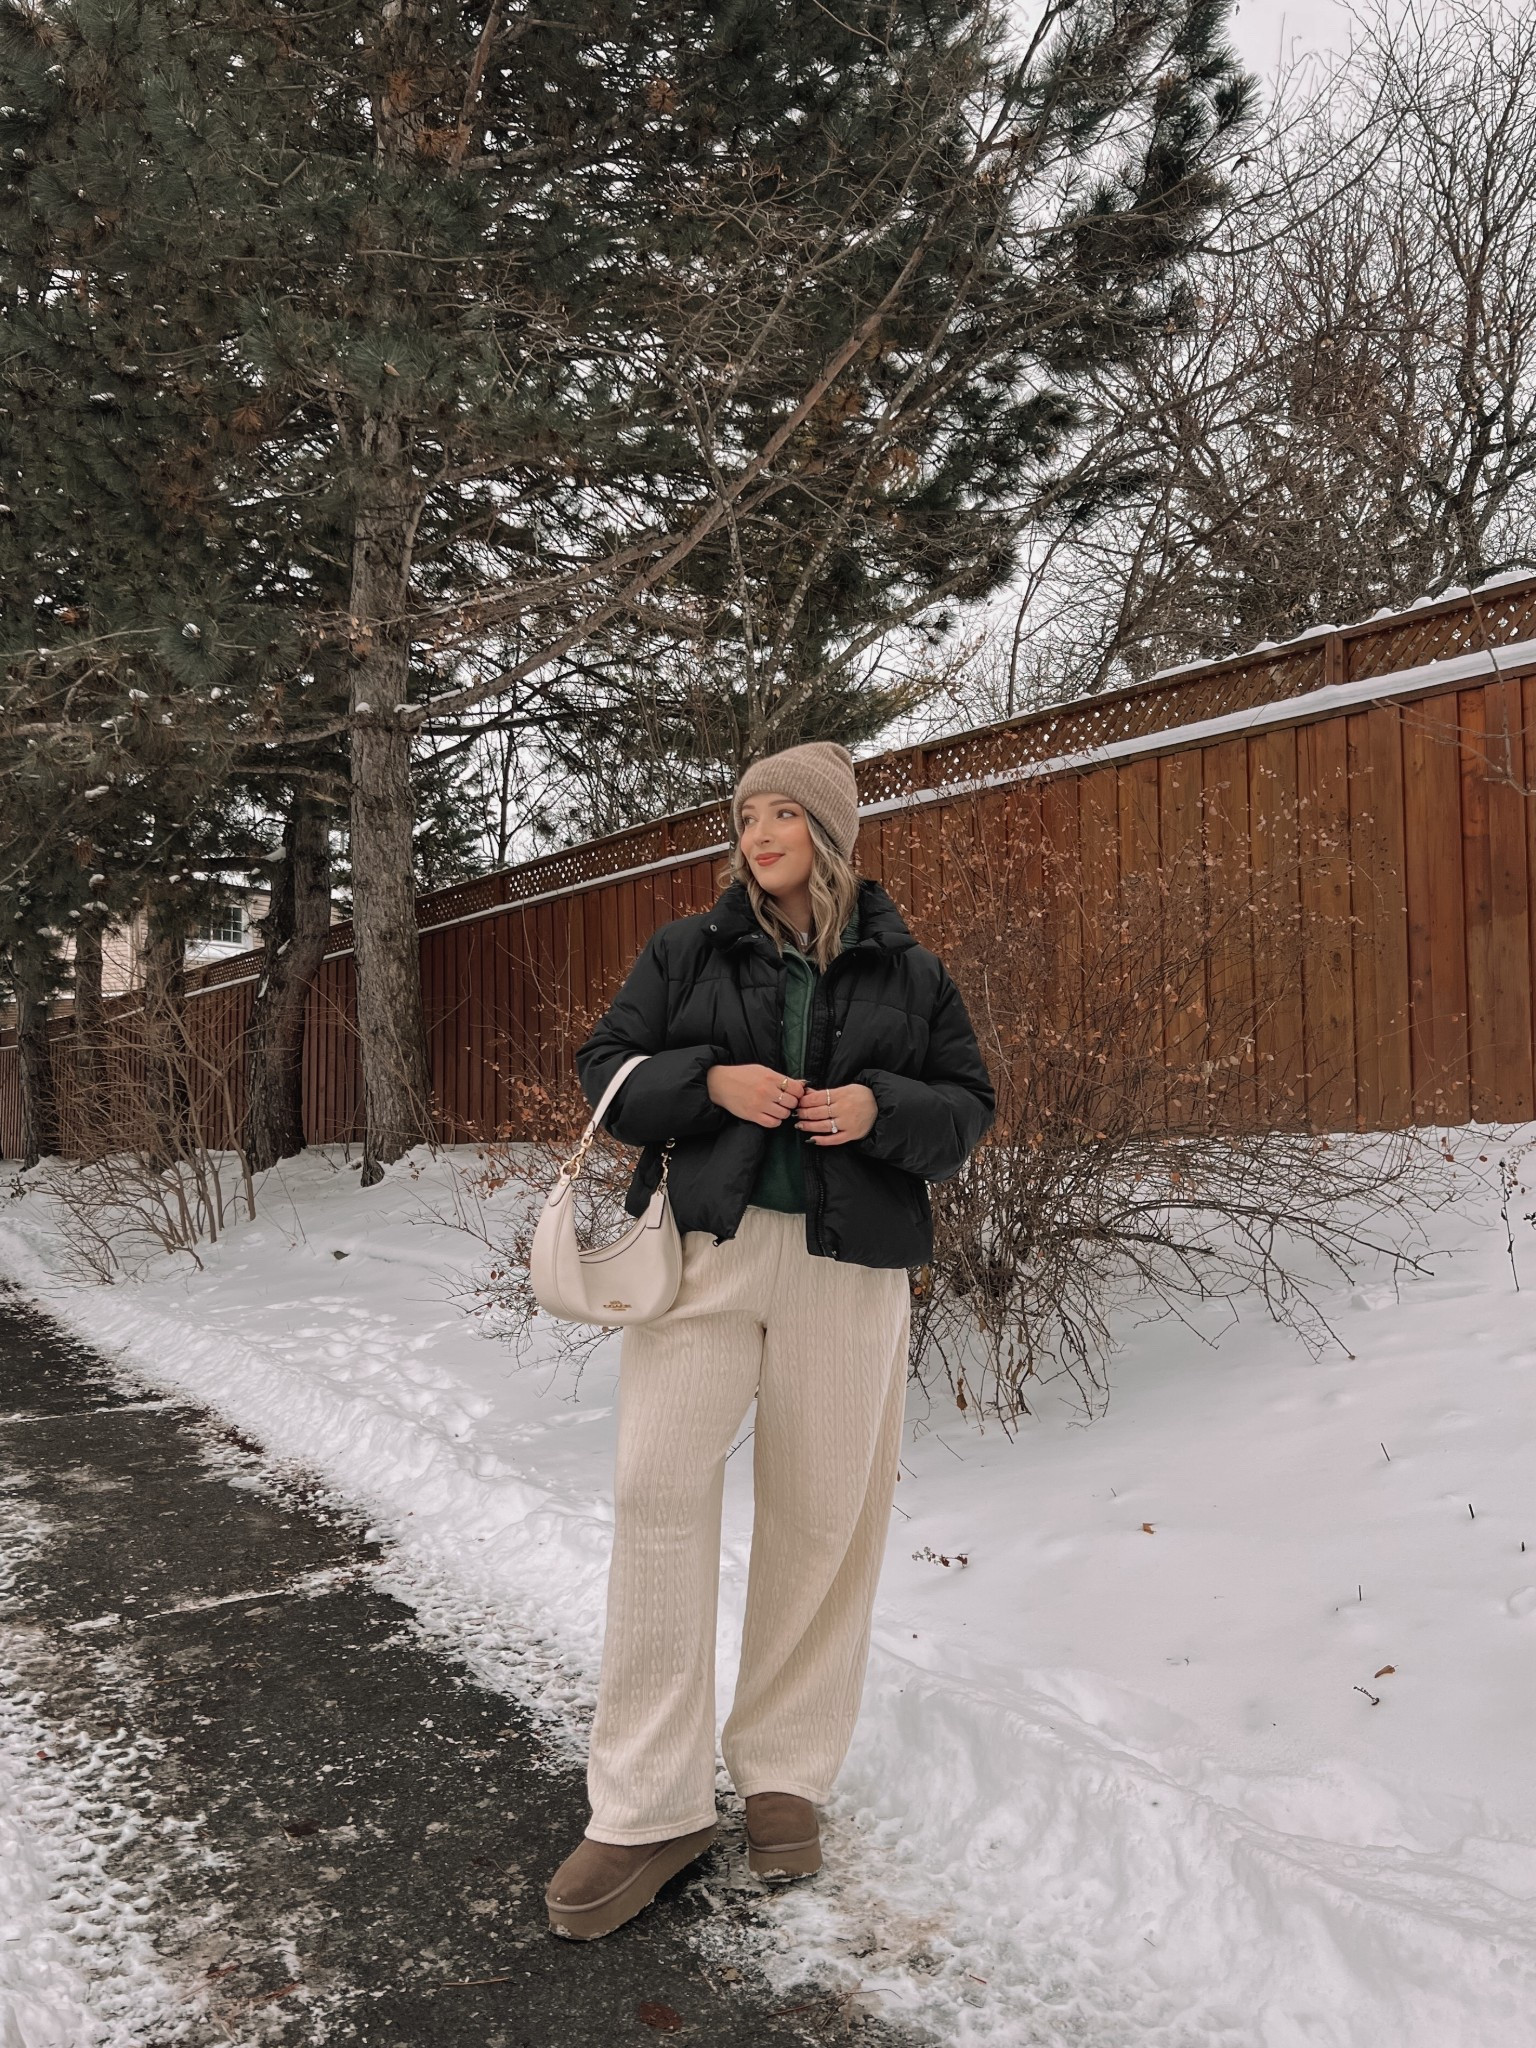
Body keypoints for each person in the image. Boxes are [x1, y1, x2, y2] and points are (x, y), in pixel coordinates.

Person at [544, 740, 995, 1940]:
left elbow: (966, 1111)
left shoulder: (910, 968)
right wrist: (712, 1084)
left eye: (785, 810)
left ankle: (783, 1769)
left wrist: (881, 1108)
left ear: (832, 830)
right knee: (656, 1492)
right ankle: (646, 1803)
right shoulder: (687, 950)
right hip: (707, 1254)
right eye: (747, 810)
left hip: (849, 1273)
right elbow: (604, 1073)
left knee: (820, 1513)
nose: (760, 829)